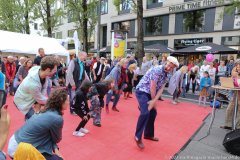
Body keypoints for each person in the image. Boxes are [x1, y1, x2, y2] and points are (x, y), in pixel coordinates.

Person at [8, 89, 68, 160]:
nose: (68, 102)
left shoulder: (45, 111)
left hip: (15, 142)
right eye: (67, 100)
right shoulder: (57, 118)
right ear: (61, 102)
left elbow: (50, 137)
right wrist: (55, 148)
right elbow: (57, 139)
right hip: (19, 149)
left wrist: (55, 147)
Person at [134, 56, 179, 149]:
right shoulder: (157, 69)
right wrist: (153, 102)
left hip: (151, 93)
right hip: (142, 91)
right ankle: (137, 137)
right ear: (166, 62)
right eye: (169, 65)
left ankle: (148, 134)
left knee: (153, 113)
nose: (169, 68)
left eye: (172, 68)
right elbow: (152, 87)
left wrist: (154, 102)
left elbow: (161, 89)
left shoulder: (168, 75)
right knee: (145, 112)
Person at [221, 60, 240, 130]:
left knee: (239, 111)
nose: (238, 68)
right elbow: (231, 80)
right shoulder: (235, 72)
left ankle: (238, 127)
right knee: (229, 109)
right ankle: (228, 125)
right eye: (237, 67)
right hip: (235, 93)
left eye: (239, 67)